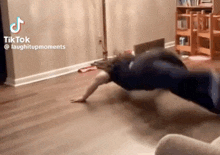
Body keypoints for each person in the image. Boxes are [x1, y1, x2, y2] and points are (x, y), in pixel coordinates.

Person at [71, 48, 220, 115]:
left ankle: (208, 78)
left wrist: (84, 97)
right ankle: (215, 106)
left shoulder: (110, 70)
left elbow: (98, 79)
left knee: (180, 80)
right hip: (152, 57)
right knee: (180, 87)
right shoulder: (124, 59)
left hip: (143, 69)